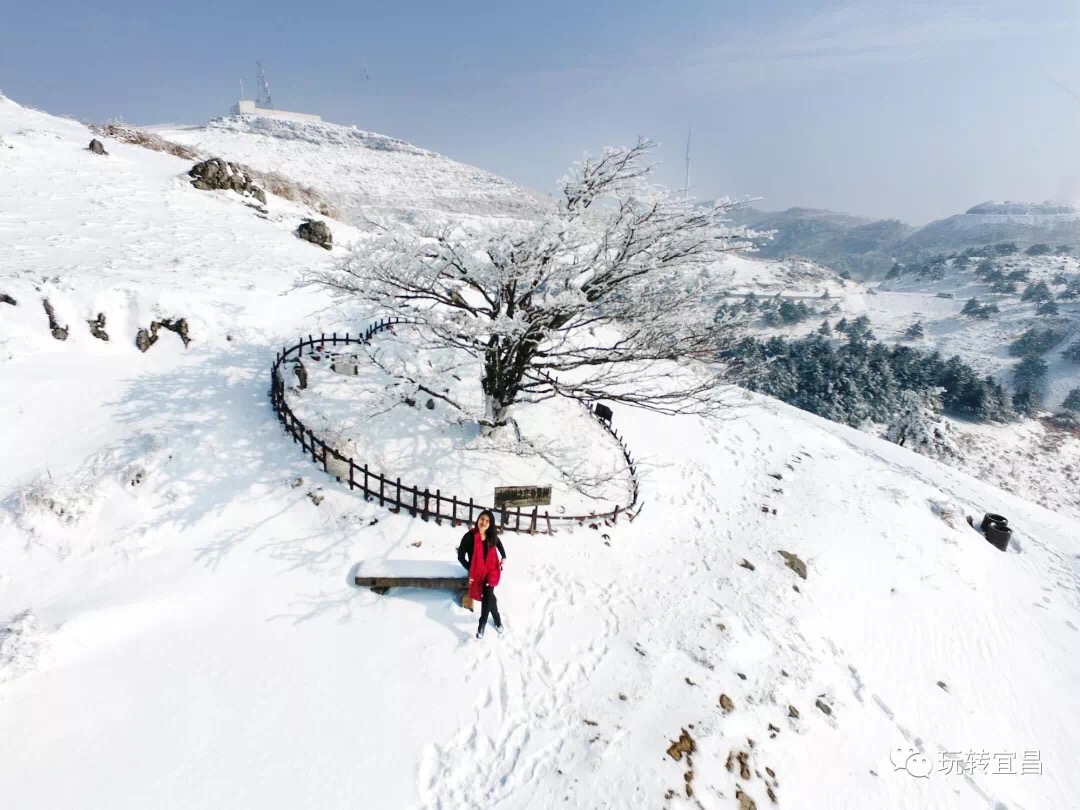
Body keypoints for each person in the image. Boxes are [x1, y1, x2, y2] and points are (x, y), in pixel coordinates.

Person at [457, 510, 506, 639]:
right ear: (478, 520)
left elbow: (499, 543)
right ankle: (497, 620)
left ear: (490, 524)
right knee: (491, 598)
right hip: (478, 574)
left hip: (491, 570)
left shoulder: (491, 536)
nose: (483, 522)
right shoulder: (469, 537)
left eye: (487, 520)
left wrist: (504, 556)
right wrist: (471, 569)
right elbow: (460, 557)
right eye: (482, 519)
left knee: (487, 595)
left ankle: (482, 624)